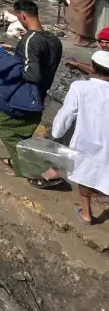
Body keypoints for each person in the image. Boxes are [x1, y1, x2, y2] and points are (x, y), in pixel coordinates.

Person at [0, 0, 62, 184]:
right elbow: (39, 62)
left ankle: (43, 172)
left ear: (22, 16)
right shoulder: (53, 39)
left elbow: (32, 74)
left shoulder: (30, 40)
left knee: (2, 124)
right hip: (38, 97)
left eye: (18, 17)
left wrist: (4, 58)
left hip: (22, 96)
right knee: (23, 132)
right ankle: (18, 161)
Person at [50, 50, 109, 224]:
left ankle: (86, 213)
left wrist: (56, 134)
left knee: (85, 174)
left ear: (93, 67)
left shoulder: (80, 87)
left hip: (87, 140)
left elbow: (67, 113)